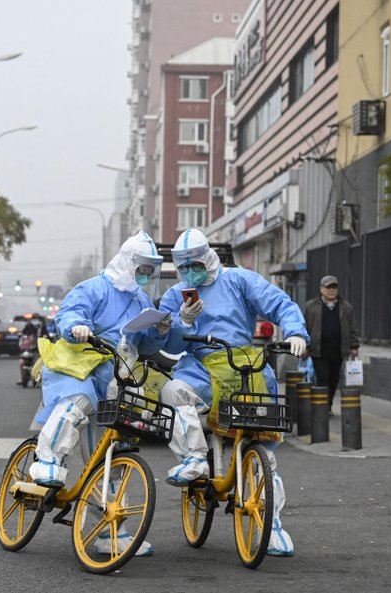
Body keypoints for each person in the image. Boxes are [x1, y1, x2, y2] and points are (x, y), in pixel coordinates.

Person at [157, 228, 308, 557]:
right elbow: (166, 345)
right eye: (183, 268)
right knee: (174, 390)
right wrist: (181, 323)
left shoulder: (240, 280)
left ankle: (274, 525)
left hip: (244, 366)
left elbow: (279, 303)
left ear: (208, 257)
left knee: (264, 456)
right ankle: (194, 459)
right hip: (200, 367)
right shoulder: (176, 294)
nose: (190, 273)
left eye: (194, 265)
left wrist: (296, 332)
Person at [28, 231, 173, 556]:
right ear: (128, 262)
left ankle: (110, 531)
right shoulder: (95, 287)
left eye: (151, 269)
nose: (146, 275)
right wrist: (77, 326)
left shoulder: (142, 300)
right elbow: (68, 314)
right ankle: (47, 462)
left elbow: (145, 345)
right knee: (78, 403)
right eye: (143, 267)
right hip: (77, 365)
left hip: (115, 378)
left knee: (109, 458)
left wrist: (161, 332)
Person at [302, 275, 360, 415]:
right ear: (321, 289)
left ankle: (327, 403)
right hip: (319, 350)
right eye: (328, 287)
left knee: (334, 379)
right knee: (323, 378)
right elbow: (304, 327)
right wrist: (304, 346)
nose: (331, 290)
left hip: (338, 350)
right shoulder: (311, 307)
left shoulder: (346, 307)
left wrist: (354, 346)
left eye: (334, 287)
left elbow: (353, 328)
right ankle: (323, 407)